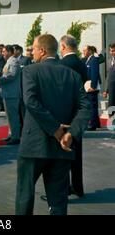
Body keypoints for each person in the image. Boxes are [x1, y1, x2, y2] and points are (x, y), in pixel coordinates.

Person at [15, 35, 91, 216]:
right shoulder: (72, 75)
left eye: (33, 48)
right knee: (58, 201)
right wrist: (70, 133)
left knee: (25, 195)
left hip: (34, 146)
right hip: (62, 147)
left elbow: (30, 102)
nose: (31, 52)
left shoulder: (30, 71)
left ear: (42, 51)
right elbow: (85, 107)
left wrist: (55, 129)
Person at [60, 35, 88, 198]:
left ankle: (63, 189)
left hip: (65, 113)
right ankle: (78, 186)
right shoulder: (81, 63)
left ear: (63, 46)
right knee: (76, 153)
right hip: (78, 111)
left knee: (63, 153)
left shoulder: (62, 64)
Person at [0, 45, 22, 145]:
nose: (2, 53)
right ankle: (12, 134)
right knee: (10, 116)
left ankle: (15, 136)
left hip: (12, 93)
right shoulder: (9, 61)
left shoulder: (13, 61)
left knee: (13, 116)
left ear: (10, 52)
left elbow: (12, 75)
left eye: (4, 51)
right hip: (8, 93)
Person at [82, 45, 101, 131]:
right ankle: (96, 123)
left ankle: (92, 124)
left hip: (92, 86)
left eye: (85, 50)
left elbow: (94, 73)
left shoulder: (93, 59)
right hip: (89, 85)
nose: (83, 52)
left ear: (89, 51)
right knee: (93, 104)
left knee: (92, 105)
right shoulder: (89, 59)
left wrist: (93, 86)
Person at [103, 43, 115, 117]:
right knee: (111, 106)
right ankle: (111, 126)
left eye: (114, 51)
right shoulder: (109, 61)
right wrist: (105, 90)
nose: (112, 53)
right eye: (111, 51)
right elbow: (108, 76)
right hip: (111, 88)